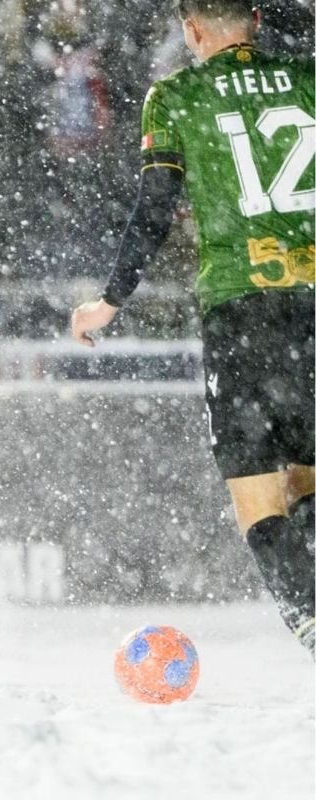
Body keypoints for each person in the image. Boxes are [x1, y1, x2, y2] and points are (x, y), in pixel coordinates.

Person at [70, 0, 314, 654]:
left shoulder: (176, 96)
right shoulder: (307, 79)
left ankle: (311, 621)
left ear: (193, 29)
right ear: (256, 20)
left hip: (244, 310)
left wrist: (110, 301)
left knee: (258, 499)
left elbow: (155, 209)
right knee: (307, 483)